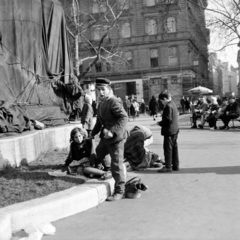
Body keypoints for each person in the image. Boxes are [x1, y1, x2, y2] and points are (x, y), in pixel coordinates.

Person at [90, 78, 128, 201]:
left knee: (116, 164)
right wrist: (92, 133)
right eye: (98, 89)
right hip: (106, 138)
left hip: (116, 138)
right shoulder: (101, 103)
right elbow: (100, 122)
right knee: (99, 152)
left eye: (103, 89)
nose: (100, 92)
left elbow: (124, 117)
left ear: (109, 89)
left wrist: (112, 131)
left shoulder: (113, 101)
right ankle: (107, 170)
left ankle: (120, 191)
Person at [157, 91, 179, 173]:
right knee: (174, 148)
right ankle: (175, 165)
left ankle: (168, 166)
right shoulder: (173, 103)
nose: (162, 103)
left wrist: (159, 123)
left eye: (162, 101)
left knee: (168, 149)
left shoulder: (168, 107)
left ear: (165, 99)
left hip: (169, 130)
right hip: (175, 129)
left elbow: (167, 119)